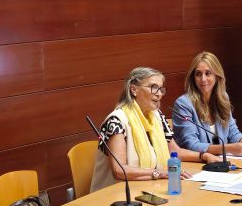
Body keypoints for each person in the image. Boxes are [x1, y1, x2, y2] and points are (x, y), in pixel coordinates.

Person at [91, 67, 222, 192]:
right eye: (154, 88)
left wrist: (204, 156)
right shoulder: (116, 120)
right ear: (134, 90)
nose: (159, 94)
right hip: (116, 198)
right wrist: (161, 173)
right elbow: (119, 171)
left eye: (161, 89)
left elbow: (175, 152)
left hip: (149, 188)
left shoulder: (157, 116)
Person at [173, 52, 242, 158]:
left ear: (217, 75)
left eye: (208, 73)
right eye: (198, 74)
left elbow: (233, 133)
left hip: (222, 162)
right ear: (193, 78)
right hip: (197, 165)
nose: (203, 79)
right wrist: (229, 148)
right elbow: (190, 145)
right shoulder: (183, 104)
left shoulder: (222, 97)